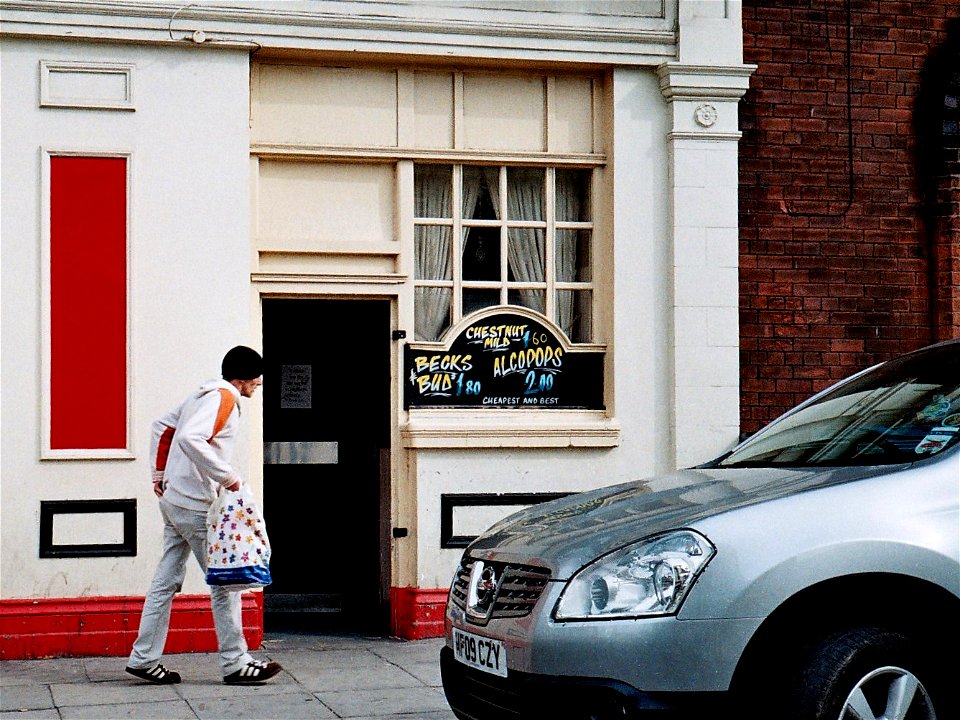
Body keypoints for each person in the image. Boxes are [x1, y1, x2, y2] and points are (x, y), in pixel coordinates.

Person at [125, 346, 281, 685]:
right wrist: (228, 477)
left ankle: (144, 657)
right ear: (243, 379)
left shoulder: (203, 393)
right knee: (226, 582)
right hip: (195, 503)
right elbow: (188, 438)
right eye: (256, 379)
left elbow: (161, 427)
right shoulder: (224, 398)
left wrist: (158, 475)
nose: (258, 385)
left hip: (174, 500)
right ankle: (235, 662)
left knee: (165, 582)